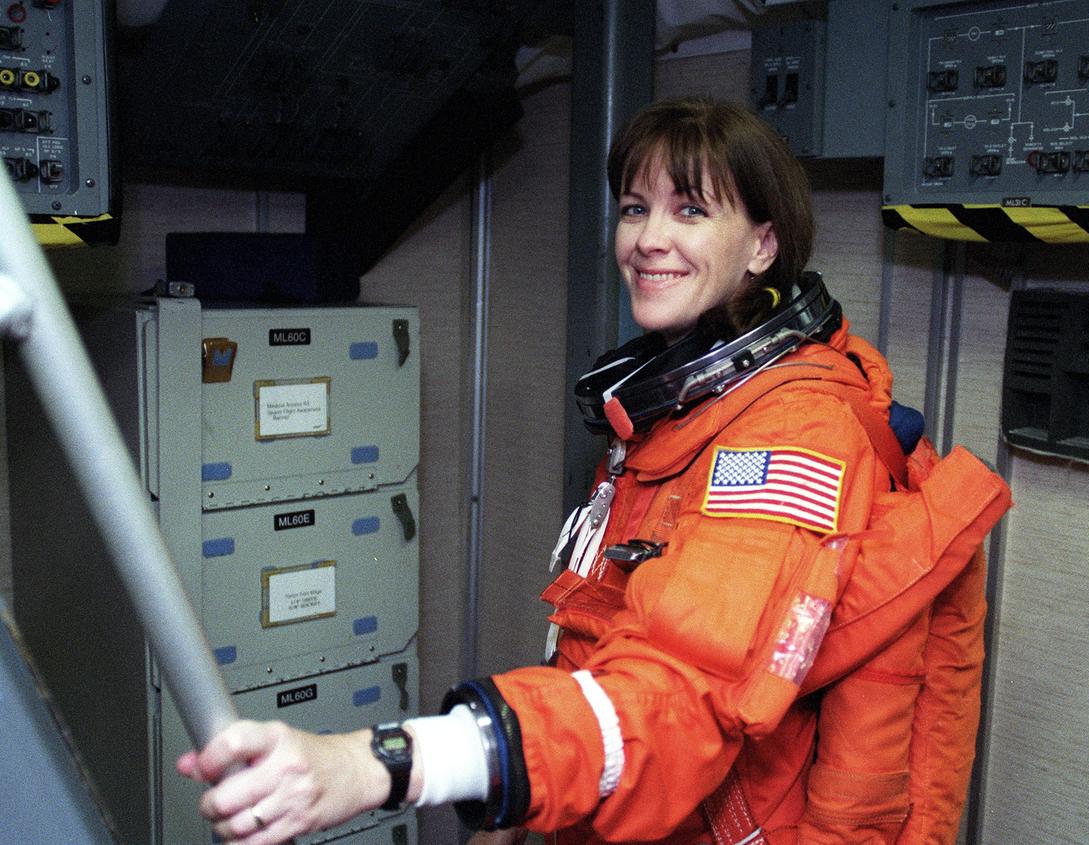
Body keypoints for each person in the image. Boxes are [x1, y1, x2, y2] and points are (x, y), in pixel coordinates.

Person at [178, 97, 1011, 845]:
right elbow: (613, 637)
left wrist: (387, 763)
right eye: (635, 208)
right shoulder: (684, 406)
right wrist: (519, 801)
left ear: (763, 244)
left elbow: (678, 694)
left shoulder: (791, 435)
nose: (649, 238)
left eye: (690, 210)